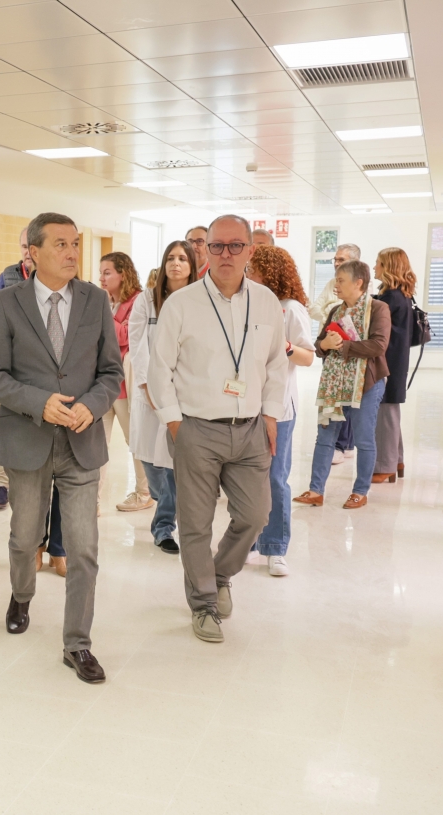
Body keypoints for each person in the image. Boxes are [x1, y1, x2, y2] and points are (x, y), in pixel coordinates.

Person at [0, 212, 123, 684]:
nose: (70, 253)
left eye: (74, 244)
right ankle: (22, 594)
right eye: (59, 244)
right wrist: (39, 403)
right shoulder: (4, 304)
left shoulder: (95, 300)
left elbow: (110, 372)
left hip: (82, 442)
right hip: (26, 438)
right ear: (33, 251)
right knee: (25, 539)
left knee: (83, 548)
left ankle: (77, 642)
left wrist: (93, 405)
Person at [148, 215, 286, 644]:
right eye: (218, 246)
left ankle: (220, 573)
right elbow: (158, 370)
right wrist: (174, 422)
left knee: (255, 515)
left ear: (250, 250)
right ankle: (204, 603)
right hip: (196, 428)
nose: (226, 254)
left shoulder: (266, 302)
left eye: (235, 246)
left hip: (249, 429)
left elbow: (276, 364)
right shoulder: (181, 304)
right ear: (205, 251)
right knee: (195, 523)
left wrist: (270, 414)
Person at [244, 245, 314, 576]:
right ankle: (249, 541)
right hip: (245, 406)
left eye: (253, 268)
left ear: (269, 273)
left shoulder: (290, 309)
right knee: (245, 478)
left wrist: (284, 346)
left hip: (279, 408)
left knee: (274, 477)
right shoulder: (248, 303)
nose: (247, 274)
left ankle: (275, 547)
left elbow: (308, 356)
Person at [298, 260, 389, 510]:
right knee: (325, 437)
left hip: (366, 383)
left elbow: (379, 346)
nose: (335, 285)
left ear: (358, 282)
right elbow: (319, 345)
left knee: (363, 438)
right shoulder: (335, 311)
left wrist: (343, 346)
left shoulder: (378, 309)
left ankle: (360, 491)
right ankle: (316, 490)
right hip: (334, 384)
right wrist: (325, 346)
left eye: (340, 280)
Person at [128, 240, 196, 554]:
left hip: (184, 394)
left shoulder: (200, 301)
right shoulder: (147, 300)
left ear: (192, 265)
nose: (176, 263)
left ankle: (163, 526)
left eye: (183, 258)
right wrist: (147, 388)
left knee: (172, 465)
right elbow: (137, 344)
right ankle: (162, 506)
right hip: (148, 393)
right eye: (171, 257)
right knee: (149, 461)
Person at [295, 242, 361, 504]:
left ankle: (355, 477)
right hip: (330, 353)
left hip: (353, 363)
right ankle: (317, 488)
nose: (335, 263)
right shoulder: (331, 291)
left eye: (341, 259)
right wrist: (329, 316)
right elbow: (315, 310)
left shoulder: (370, 303)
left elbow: (370, 341)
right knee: (328, 419)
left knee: (352, 411)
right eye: (334, 259)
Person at [0, 227, 35, 510]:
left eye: (31, 246)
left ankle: (32, 483)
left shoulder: (56, 280)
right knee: (4, 427)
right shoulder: (7, 276)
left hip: (40, 373)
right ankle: (1, 484)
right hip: (9, 371)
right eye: (23, 246)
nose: (27, 252)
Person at [98, 251, 152, 513]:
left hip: (124, 385)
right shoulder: (106, 302)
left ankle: (145, 493)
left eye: (107, 272)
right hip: (101, 383)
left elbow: (129, 336)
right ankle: (91, 498)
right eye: (101, 272)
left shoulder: (140, 300)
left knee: (136, 442)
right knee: (96, 444)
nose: (102, 278)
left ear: (123, 273)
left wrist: (105, 323)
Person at [371, 248, 415, 484]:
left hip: (387, 362)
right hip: (396, 360)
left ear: (388, 267)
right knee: (390, 412)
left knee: (384, 413)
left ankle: (384, 465)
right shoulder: (401, 295)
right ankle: (396, 460)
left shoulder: (390, 299)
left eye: (378, 263)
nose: (374, 266)